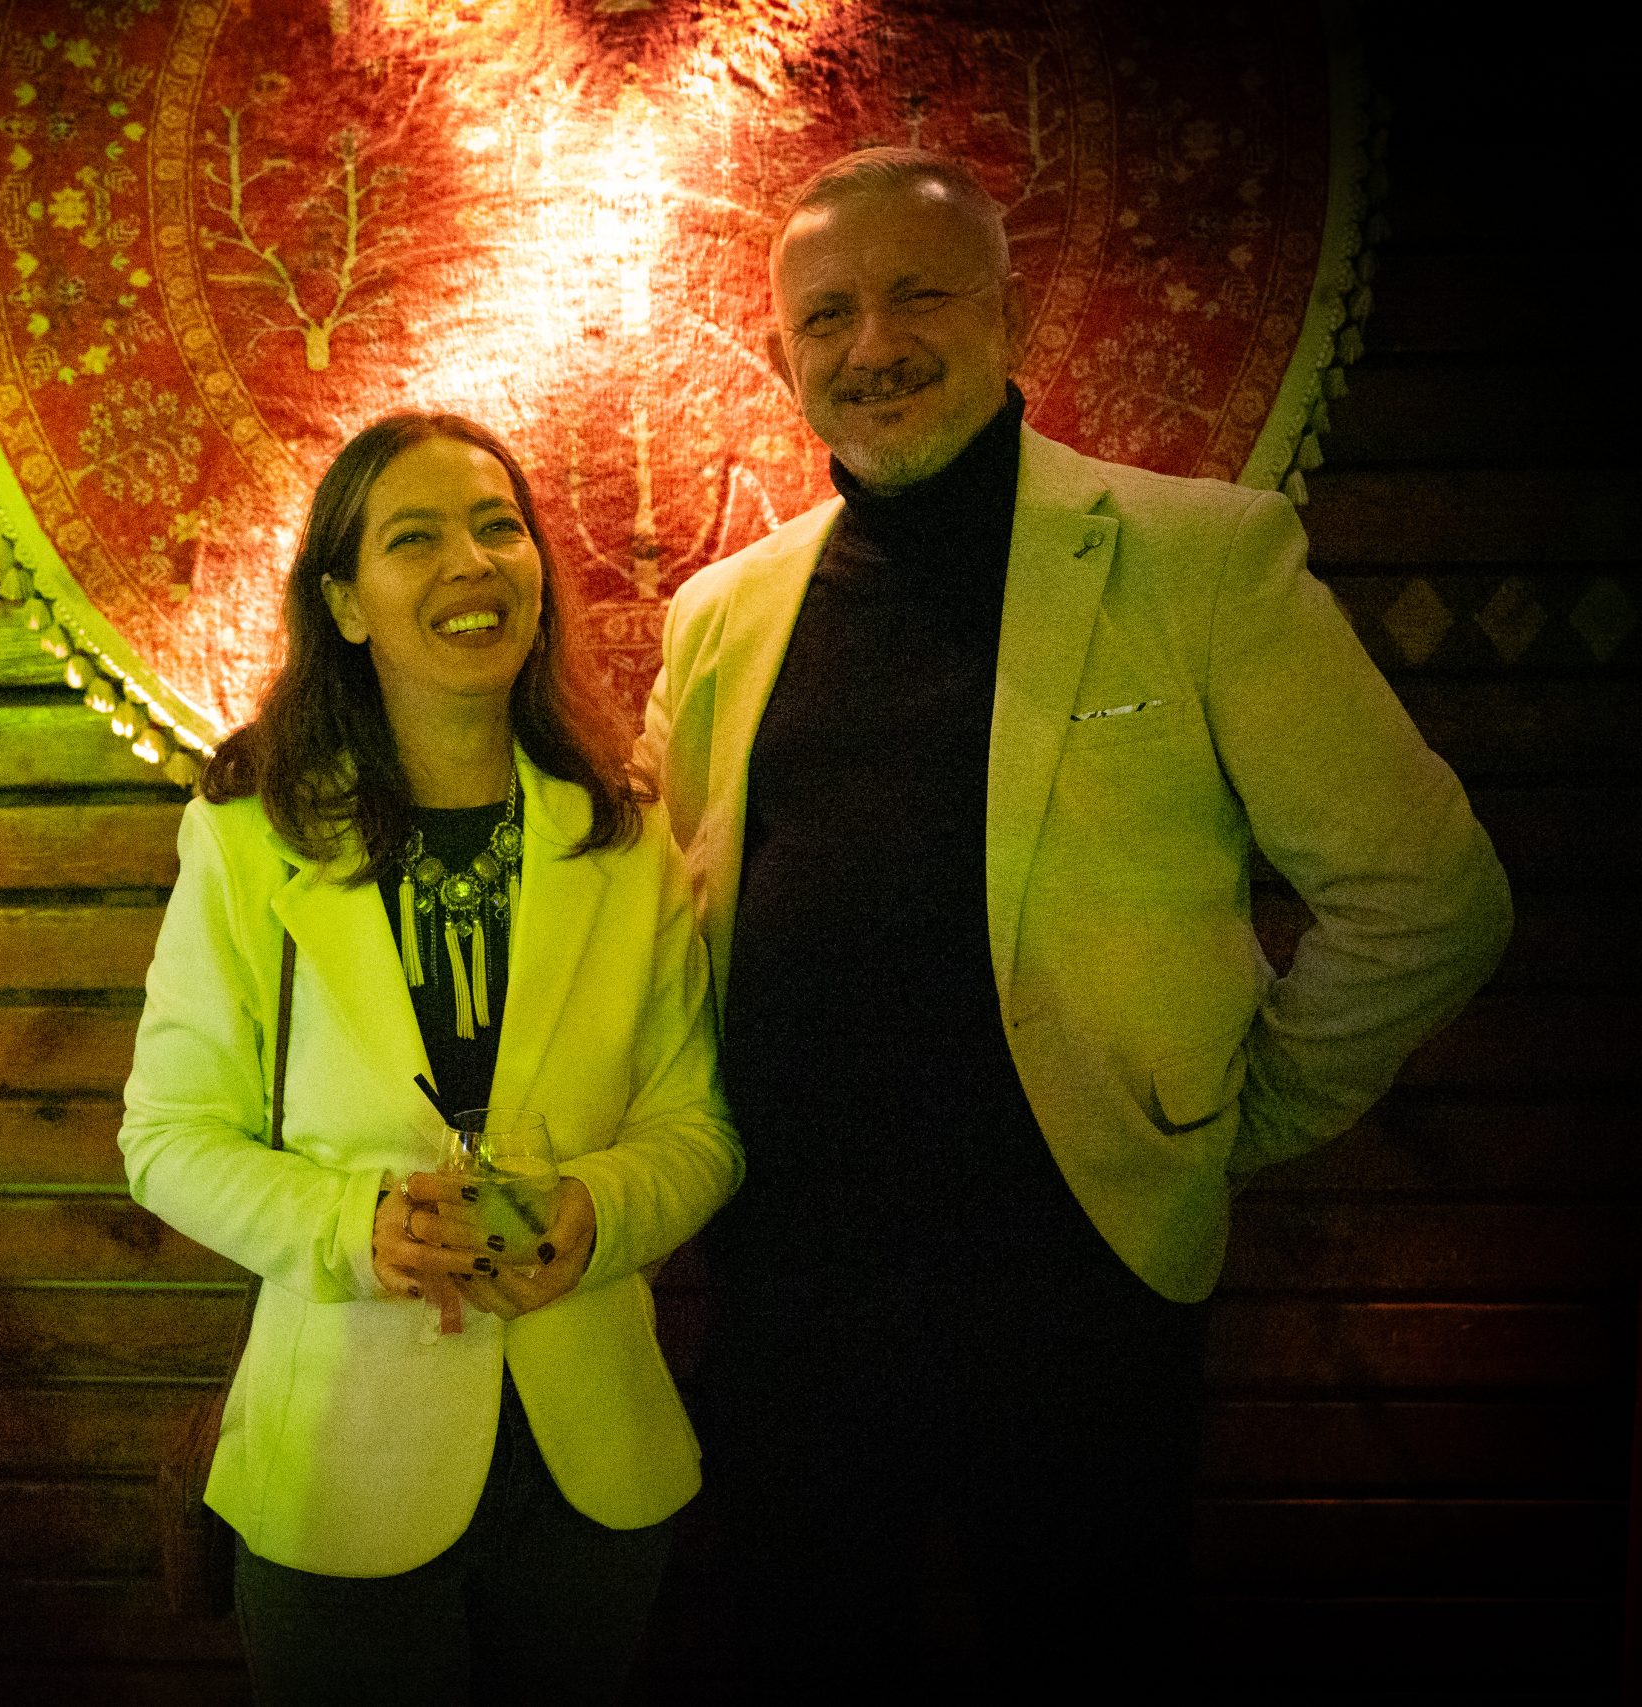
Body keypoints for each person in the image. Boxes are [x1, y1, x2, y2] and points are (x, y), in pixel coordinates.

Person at [637, 148, 1512, 1688]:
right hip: (788, 1304)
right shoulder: (721, 615)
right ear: (782, 353)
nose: (874, 343)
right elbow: (667, 915)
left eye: (919, 295)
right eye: (828, 315)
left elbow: (1430, 898)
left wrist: (1226, 1113)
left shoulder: (1201, 558)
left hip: (1077, 1302)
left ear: (1011, 309)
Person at [120, 411, 741, 1703]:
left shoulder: (622, 840)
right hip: (339, 1472)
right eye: (414, 539)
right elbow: (165, 1139)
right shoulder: (248, 838)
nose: (471, 562)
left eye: (498, 527)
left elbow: (702, 1131)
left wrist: (597, 1211)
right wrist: (359, 1228)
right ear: (344, 604)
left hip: (593, 1471)